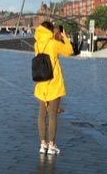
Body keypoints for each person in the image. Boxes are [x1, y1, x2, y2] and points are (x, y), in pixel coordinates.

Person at [34, 21, 73, 155]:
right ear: (50, 30)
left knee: (41, 115)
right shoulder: (54, 44)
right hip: (54, 84)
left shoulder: (36, 44)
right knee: (52, 116)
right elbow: (69, 51)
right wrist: (64, 37)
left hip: (41, 84)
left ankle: (42, 144)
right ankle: (51, 146)